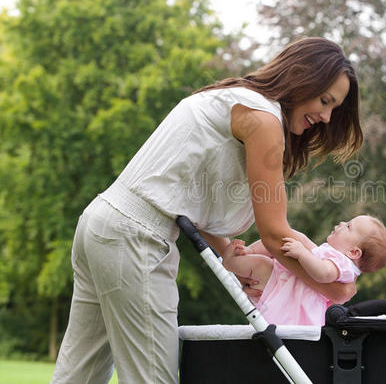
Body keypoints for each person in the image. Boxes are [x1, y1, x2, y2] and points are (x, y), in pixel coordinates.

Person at [51, 37, 363, 384]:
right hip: (135, 239)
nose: (326, 116)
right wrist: (332, 288)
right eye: (325, 101)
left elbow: (184, 201)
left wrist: (230, 252)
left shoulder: (234, 98)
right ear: (302, 75)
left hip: (104, 223)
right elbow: (274, 235)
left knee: (77, 374)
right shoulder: (263, 120)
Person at [222, 215, 386, 325]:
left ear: (354, 252)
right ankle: (244, 255)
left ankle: (231, 262)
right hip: (287, 284)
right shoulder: (335, 255)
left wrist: (302, 253)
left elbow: (323, 273)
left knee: (261, 264)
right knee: (265, 258)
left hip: (293, 297)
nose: (341, 223)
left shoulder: (344, 265)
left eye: (348, 226)